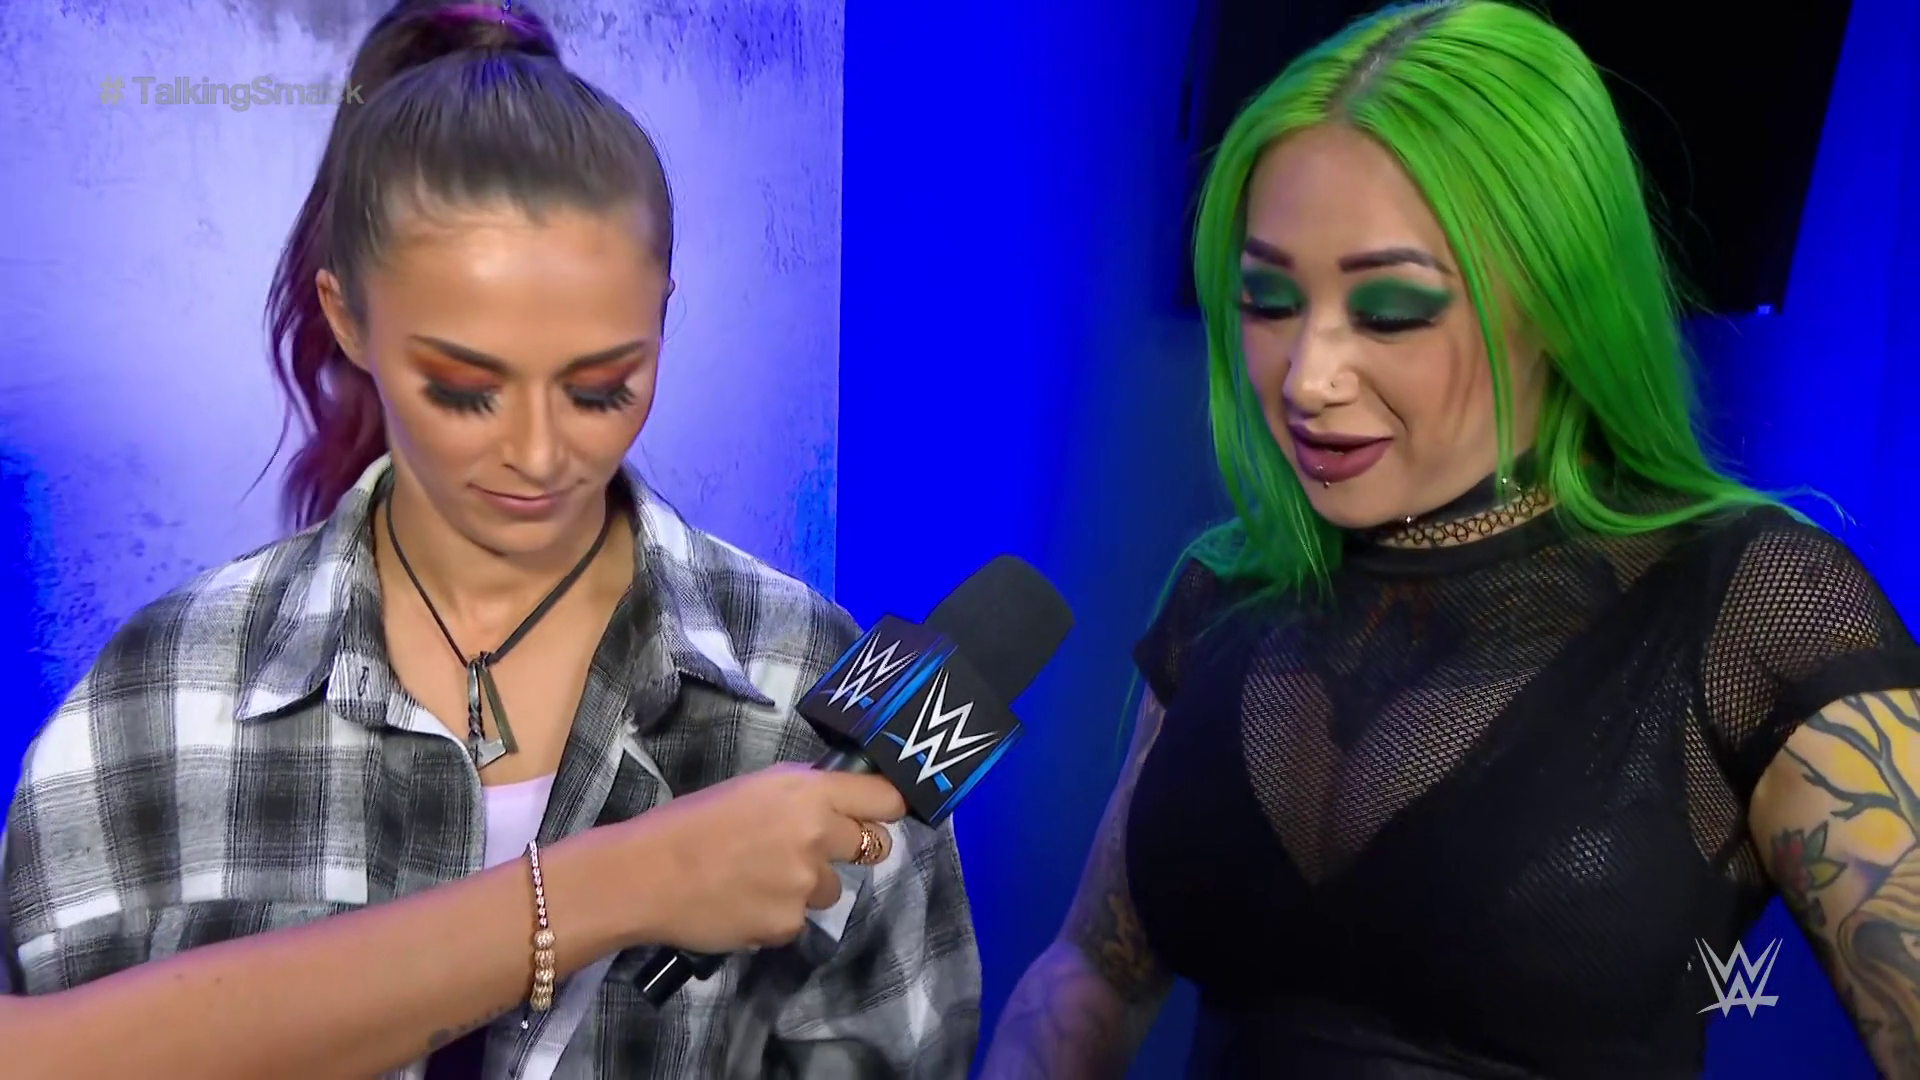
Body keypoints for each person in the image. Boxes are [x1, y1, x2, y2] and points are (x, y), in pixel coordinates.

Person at [0, 3, 979, 1078]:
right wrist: (618, 887)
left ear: (664, 315)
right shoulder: (154, 703)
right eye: (464, 390)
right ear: (347, 318)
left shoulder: (803, 677)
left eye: (602, 388)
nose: (540, 454)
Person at [983, 1, 1920, 1077]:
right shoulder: (1226, 588)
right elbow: (1094, 972)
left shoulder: (1752, 605)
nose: (1307, 377)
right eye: (1269, 300)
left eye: (1389, 311)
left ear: (1560, 304)